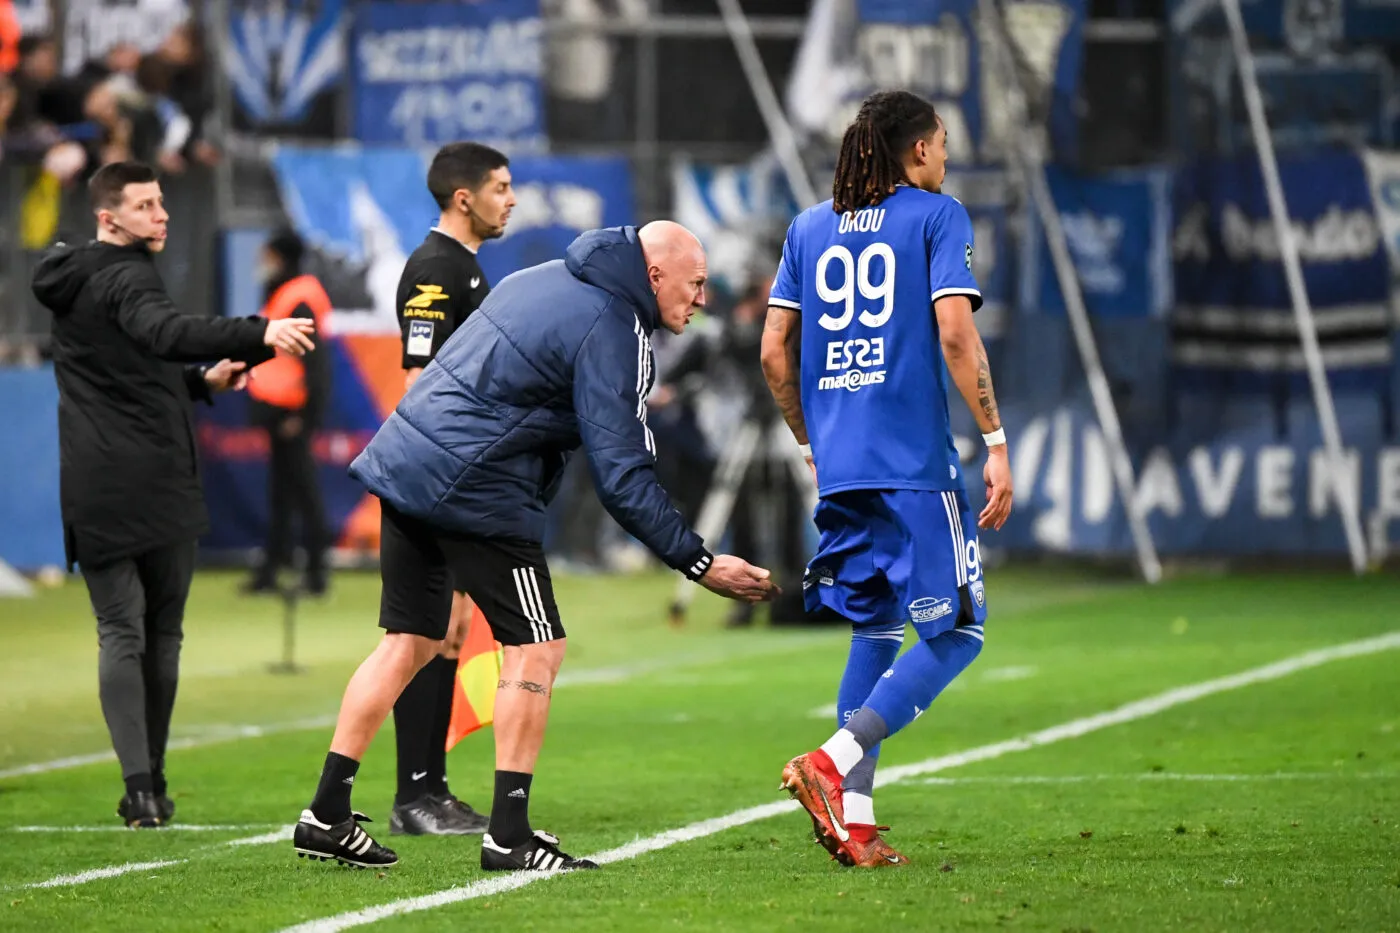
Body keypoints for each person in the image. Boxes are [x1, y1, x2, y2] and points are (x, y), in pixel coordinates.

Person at [291, 221, 777, 871]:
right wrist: (698, 560)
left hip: (407, 463)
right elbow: (622, 476)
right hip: (475, 488)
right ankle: (509, 836)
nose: (702, 299)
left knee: (406, 639)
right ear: (654, 275)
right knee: (537, 644)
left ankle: (325, 813)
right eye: (693, 285)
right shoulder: (613, 326)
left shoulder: (541, 277)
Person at [761, 90, 1014, 867]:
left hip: (839, 469)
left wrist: (811, 441)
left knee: (874, 628)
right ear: (916, 151)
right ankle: (831, 765)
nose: (946, 157)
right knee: (959, 630)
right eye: (941, 142)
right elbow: (953, 328)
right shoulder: (938, 217)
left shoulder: (808, 227)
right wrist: (996, 439)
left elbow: (775, 352)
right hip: (911, 464)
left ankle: (856, 825)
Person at [29, 161, 316, 827]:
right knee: (158, 634)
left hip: (95, 482)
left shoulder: (70, 279)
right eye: (146, 206)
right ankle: (150, 780)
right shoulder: (128, 274)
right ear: (109, 218)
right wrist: (261, 329)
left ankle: (141, 789)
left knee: (120, 631)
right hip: (156, 479)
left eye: (161, 203)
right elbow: (164, 332)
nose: (162, 215)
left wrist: (201, 382)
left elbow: (127, 370)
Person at [384, 141, 515, 837]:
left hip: (455, 473)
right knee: (423, 633)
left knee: (452, 629)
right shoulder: (437, 269)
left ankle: (429, 786)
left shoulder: (465, 269)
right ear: (463, 198)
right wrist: (450, 475)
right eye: (499, 186)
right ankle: (414, 794)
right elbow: (419, 380)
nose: (511, 198)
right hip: (435, 475)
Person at [242, 228, 332, 596]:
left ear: (279, 256)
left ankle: (316, 574)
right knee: (282, 493)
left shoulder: (298, 297)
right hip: (279, 410)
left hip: (292, 411)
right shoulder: (286, 292)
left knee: (303, 493)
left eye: (267, 254)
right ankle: (272, 570)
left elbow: (316, 364)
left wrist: (305, 416)